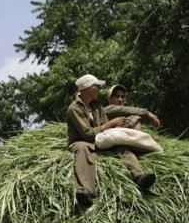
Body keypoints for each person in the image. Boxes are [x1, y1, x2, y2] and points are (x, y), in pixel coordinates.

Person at [67, 74, 157, 208]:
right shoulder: (74, 108)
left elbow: (105, 128)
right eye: (97, 87)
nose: (99, 90)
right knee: (83, 148)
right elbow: (87, 134)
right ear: (89, 89)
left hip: (99, 139)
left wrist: (118, 129)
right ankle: (85, 191)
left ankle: (139, 176)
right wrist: (111, 124)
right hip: (82, 140)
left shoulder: (98, 107)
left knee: (120, 146)